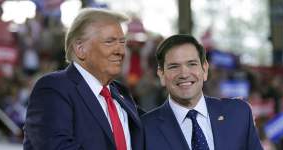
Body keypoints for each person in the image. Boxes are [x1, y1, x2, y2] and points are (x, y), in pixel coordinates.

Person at [23, 8, 144, 150]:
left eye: (122, 42)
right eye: (109, 42)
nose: (120, 51)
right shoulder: (53, 88)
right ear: (80, 48)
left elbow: (158, 125)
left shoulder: (120, 93)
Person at [141, 34, 263, 150]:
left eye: (192, 64)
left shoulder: (239, 113)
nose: (184, 74)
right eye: (174, 66)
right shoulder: (144, 128)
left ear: (204, 69)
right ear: (161, 74)